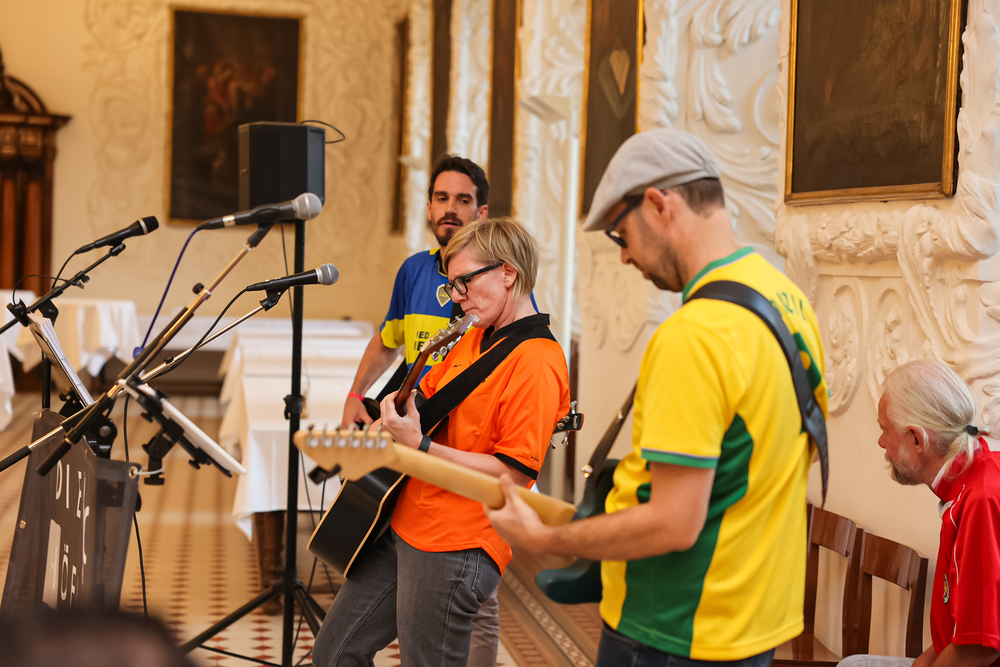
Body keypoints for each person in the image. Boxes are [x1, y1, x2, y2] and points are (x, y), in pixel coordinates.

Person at [485, 127, 828, 666]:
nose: (624, 256)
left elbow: (673, 521)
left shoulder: (695, 334)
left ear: (659, 204)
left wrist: (545, 538)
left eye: (621, 234)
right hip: (754, 620)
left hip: (675, 627)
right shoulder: (786, 298)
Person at [311, 217, 570, 667]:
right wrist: (393, 415)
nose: (456, 296)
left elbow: (513, 475)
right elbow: (426, 402)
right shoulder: (474, 335)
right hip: (407, 519)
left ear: (508, 273)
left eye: (464, 282)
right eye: (452, 285)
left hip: (459, 542)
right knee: (333, 654)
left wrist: (422, 448)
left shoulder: (538, 360)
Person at [840, 359, 1000, 667]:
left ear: (916, 438)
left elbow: (980, 647)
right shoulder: (968, 484)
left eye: (885, 430)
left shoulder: (982, 499)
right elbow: (958, 633)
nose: (881, 442)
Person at [340, 154, 490, 428]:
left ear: (481, 214)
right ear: (429, 209)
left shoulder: (497, 279)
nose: (450, 209)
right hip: (410, 425)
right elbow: (388, 341)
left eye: (463, 200)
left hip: (469, 432)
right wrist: (355, 395)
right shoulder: (413, 269)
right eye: (441, 198)